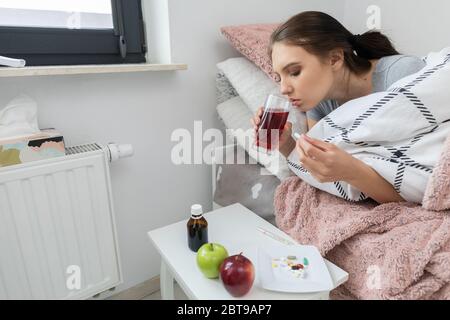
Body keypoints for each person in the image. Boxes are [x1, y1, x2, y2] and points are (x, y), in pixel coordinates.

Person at [251, 11, 426, 204]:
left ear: (335, 58)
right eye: (279, 77)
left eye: (294, 72)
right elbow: (322, 173)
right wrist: (286, 146)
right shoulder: (320, 103)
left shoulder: (402, 74)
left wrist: (352, 170)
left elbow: (421, 184)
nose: (283, 88)